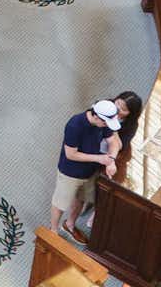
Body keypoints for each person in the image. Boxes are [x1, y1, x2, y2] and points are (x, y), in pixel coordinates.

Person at [69, 89, 145, 237]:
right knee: (82, 190)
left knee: (113, 183)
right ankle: (70, 223)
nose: (117, 109)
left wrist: (112, 127)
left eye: (123, 109)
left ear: (130, 114)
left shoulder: (131, 125)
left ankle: (97, 211)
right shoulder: (103, 106)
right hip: (92, 151)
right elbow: (86, 124)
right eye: (117, 103)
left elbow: (121, 145)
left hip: (112, 155)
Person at [52, 98, 121, 237]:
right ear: (95, 116)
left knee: (81, 199)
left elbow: (113, 141)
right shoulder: (75, 125)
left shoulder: (104, 121)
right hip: (70, 172)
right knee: (60, 203)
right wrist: (99, 159)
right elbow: (70, 154)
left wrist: (111, 160)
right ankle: (52, 231)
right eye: (105, 123)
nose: (106, 126)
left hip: (89, 171)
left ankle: (70, 224)